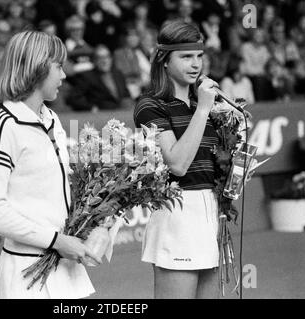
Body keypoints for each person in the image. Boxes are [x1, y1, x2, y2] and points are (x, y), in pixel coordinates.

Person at [0, 30, 99, 299]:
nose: (64, 76)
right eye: (59, 66)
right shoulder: (3, 126)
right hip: (25, 275)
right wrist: (56, 241)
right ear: (38, 66)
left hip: (65, 270)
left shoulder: (53, 118)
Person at [133, 20, 220, 299]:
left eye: (198, 56)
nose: (195, 64)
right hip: (176, 213)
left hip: (209, 214)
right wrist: (205, 109)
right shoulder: (150, 105)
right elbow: (177, 164)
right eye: (185, 57)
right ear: (164, 61)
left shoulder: (200, 105)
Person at [67, 44, 134, 112]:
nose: (104, 61)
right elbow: (74, 98)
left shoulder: (118, 74)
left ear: (111, 59)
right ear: (94, 61)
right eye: (100, 58)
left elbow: (126, 95)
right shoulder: (87, 76)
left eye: (107, 57)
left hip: (120, 115)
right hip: (100, 116)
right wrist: (91, 107)